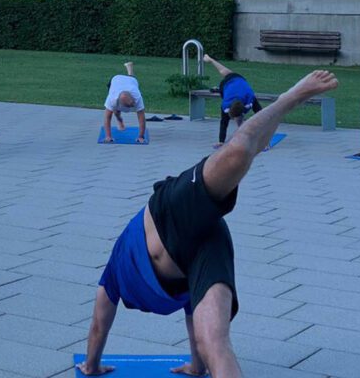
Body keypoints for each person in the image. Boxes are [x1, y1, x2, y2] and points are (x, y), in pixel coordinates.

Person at [77, 70, 339, 378]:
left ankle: (289, 98)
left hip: (168, 211)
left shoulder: (113, 269)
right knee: (214, 343)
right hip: (206, 246)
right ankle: (284, 103)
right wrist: (197, 366)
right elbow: (194, 322)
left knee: (236, 153)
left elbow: (98, 325)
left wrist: (91, 366)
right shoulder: (167, 282)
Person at [202, 55, 262, 149]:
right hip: (226, 85)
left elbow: (261, 116)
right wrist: (221, 141)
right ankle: (211, 60)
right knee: (225, 72)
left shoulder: (250, 98)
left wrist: (265, 142)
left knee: (224, 71)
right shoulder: (226, 104)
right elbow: (224, 122)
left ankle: (211, 60)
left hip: (239, 81)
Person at [102, 62, 147, 144]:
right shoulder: (112, 99)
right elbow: (107, 118)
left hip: (130, 82)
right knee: (115, 111)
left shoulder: (137, 97)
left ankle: (129, 67)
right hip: (116, 80)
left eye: (132, 105)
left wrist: (141, 136)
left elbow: (141, 118)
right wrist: (108, 136)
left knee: (132, 78)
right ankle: (120, 122)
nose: (130, 108)